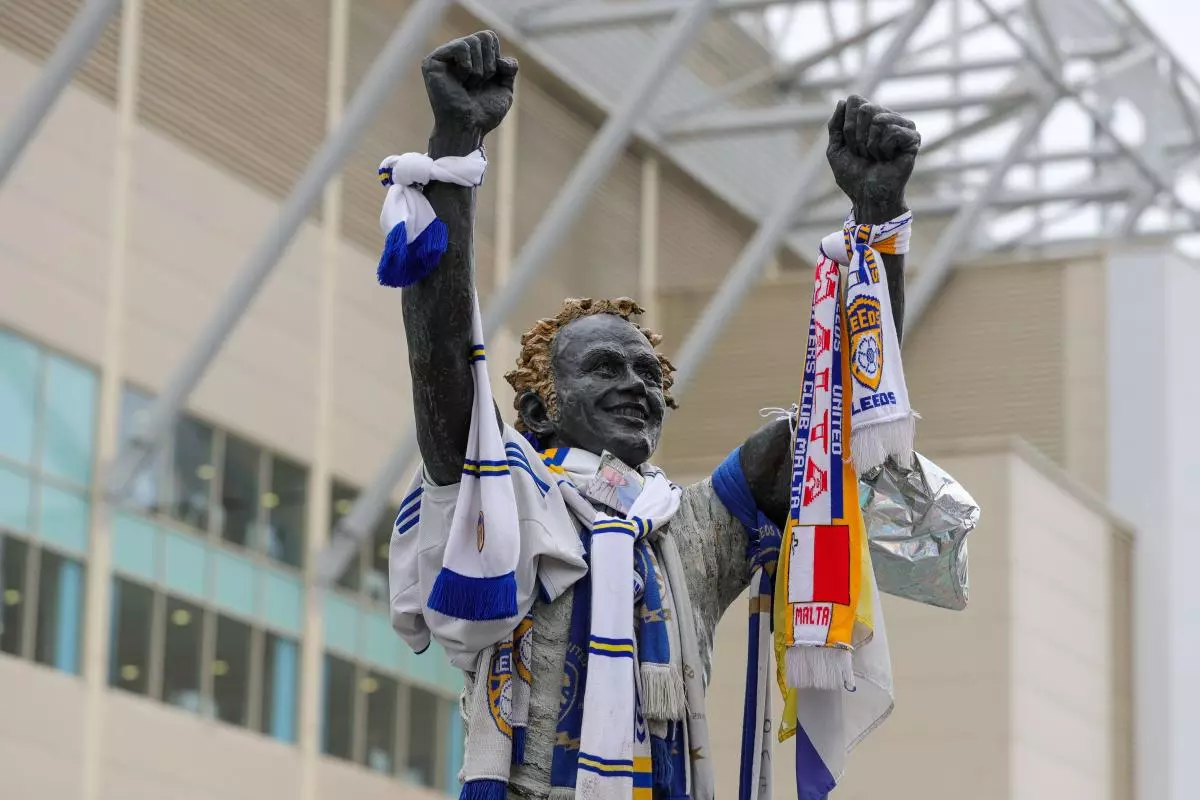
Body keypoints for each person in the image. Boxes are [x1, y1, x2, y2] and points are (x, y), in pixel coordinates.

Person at [388, 30, 921, 799]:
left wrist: (879, 229)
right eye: (604, 368)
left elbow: (840, 424)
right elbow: (442, 361)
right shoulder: (496, 493)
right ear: (538, 404)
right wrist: (453, 150)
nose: (637, 385)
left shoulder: (691, 528)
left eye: (650, 375)